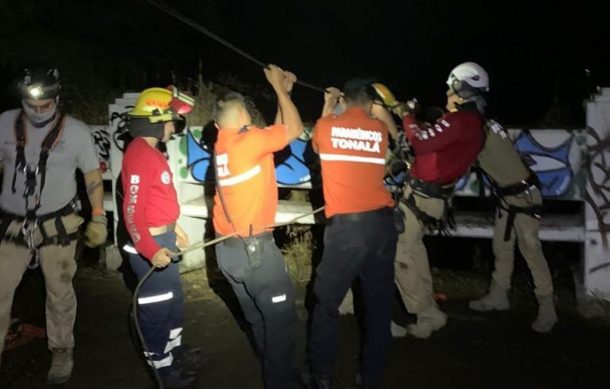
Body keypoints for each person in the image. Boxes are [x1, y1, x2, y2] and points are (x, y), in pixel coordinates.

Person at [0, 67, 107, 384]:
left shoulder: (75, 132)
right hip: (11, 225)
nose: (37, 112)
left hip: (58, 225)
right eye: (30, 105)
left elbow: (92, 177)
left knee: (59, 293)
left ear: (57, 100)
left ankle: (62, 351)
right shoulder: (4, 123)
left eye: (45, 105)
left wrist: (98, 216)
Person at [212, 64, 303, 389]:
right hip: (257, 257)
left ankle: (280, 375)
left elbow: (274, 138)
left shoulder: (223, 144)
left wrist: (285, 95)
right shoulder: (247, 142)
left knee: (259, 322)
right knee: (281, 325)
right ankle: (281, 382)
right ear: (244, 117)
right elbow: (292, 130)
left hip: (229, 254)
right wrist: (278, 87)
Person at [308, 79, 398, 389]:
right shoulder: (380, 131)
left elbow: (317, 146)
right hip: (383, 227)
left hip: (346, 231)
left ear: (345, 100)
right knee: (378, 308)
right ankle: (370, 377)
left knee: (326, 303)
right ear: (370, 103)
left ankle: (322, 376)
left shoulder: (326, 125)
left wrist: (329, 103)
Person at [390, 62, 487, 339]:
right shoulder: (475, 126)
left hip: (420, 198)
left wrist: (408, 118)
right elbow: (436, 144)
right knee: (415, 252)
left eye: (451, 86)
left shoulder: (459, 121)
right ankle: (430, 310)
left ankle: (425, 312)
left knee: (398, 254)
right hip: (434, 200)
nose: (447, 91)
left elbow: (420, 142)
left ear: (462, 88)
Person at [465, 64, 558, 333]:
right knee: (502, 247)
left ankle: (547, 307)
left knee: (531, 251)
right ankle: (498, 295)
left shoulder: (477, 130)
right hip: (510, 196)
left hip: (523, 197)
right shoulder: (488, 124)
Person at [121, 85, 201, 388]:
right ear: (156, 120)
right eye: (170, 120)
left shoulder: (150, 151)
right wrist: (150, 248)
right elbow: (132, 210)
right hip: (151, 245)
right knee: (156, 308)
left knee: (173, 302)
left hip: (163, 239)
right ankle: (162, 368)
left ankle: (173, 352)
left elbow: (156, 199)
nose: (173, 126)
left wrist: (173, 225)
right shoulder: (141, 153)